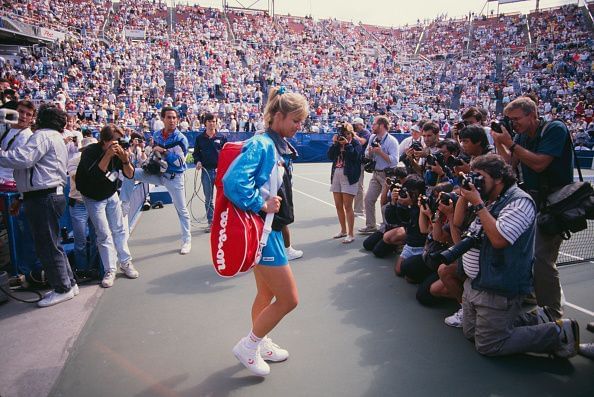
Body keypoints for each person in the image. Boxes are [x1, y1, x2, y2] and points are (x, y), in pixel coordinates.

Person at [457, 153, 579, 358]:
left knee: (488, 345)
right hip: (476, 282)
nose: (475, 182)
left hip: (498, 285)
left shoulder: (519, 202)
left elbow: (498, 240)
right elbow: (460, 225)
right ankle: (538, 318)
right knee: (470, 333)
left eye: (479, 177)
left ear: (498, 178)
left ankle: (559, 332)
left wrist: (477, 204)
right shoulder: (490, 198)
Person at [223, 86, 308, 376]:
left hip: (268, 229)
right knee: (289, 299)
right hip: (265, 232)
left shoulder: (274, 143)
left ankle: (260, 343)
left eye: (302, 121)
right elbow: (233, 181)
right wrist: (261, 203)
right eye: (296, 120)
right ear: (279, 116)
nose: (299, 126)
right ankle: (248, 347)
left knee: (266, 294)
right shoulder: (262, 144)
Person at [491, 96, 573, 320]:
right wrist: (500, 142)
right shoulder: (520, 136)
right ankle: (534, 296)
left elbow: (538, 164)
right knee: (523, 252)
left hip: (554, 203)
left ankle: (552, 315)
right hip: (531, 201)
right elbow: (509, 164)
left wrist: (510, 144)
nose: (512, 124)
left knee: (542, 258)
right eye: (509, 120)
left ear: (532, 115)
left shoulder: (554, 129)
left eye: (516, 119)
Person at [0, 104, 78, 307]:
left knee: (47, 246)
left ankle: (63, 288)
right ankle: (69, 283)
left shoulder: (42, 136)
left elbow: (23, 159)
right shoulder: (55, 137)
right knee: (54, 244)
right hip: (50, 195)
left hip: (44, 197)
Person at [76, 124, 139, 288]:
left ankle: (125, 262)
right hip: (93, 197)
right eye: (116, 140)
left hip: (111, 194)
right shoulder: (90, 152)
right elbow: (96, 175)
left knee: (119, 229)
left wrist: (125, 160)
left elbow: (130, 174)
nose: (119, 144)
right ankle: (110, 270)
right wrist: (108, 155)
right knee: (103, 234)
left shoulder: (119, 152)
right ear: (105, 141)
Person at [133, 107, 192, 254]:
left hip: (174, 178)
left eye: (174, 118)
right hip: (158, 174)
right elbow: (154, 150)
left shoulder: (181, 139)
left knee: (182, 210)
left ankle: (187, 240)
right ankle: (125, 204)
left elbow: (179, 162)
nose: (172, 120)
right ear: (163, 119)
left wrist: (164, 151)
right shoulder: (157, 134)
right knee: (132, 173)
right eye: (169, 117)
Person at [358, 115, 399, 234]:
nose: (372, 126)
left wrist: (380, 152)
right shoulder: (372, 137)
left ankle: (387, 227)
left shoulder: (392, 141)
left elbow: (394, 161)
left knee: (385, 202)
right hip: (376, 174)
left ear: (382, 125)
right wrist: (370, 153)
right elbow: (367, 154)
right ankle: (371, 226)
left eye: (375, 124)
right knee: (368, 199)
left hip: (388, 175)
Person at [67, 136, 99, 274]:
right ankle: (81, 270)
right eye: (88, 149)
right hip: (78, 204)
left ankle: (93, 268)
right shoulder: (73, 161)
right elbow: (78, 178)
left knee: (96, 239)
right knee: (80, 241)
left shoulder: (100, 161)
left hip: (94, 202)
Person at [328, 122, 362, 243]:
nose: (345, 136)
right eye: (343, 134)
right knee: (338, 205)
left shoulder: (355, 143)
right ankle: (343, 230)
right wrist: (334, 144)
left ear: (351, 133)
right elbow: (330, 156)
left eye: (348, 133)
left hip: (349, 176)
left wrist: (347, 145)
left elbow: (356, 157)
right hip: (336, 174)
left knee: (348, 206)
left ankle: (351, 234)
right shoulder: (338, 144)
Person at [193, 113, 227, 233]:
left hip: (221, 172)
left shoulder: (222, 137)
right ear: (205, 123)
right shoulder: (199, 138)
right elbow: (195, 154)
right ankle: (211, 222)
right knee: (208, 198)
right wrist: (198, 161)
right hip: (206, 171)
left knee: (223, 197)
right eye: (210, 121)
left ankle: (223, 221)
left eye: (214, 121)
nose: (212, 123)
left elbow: (227, 154)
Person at [351, 117, 370, 215]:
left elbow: (362, 142)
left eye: (356, 125)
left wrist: (354, 135)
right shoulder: (356, 132)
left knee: (359, 185)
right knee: (354, 185)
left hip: (361, 161)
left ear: (361, 125)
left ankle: (359, 210)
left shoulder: (365, 132)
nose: (355, 127)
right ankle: (357, 208)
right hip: (354, 160)